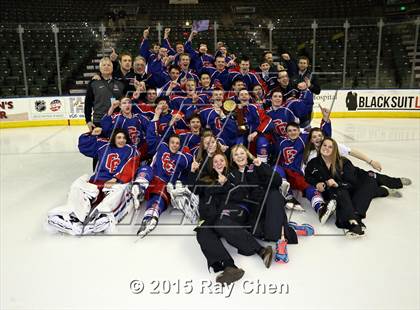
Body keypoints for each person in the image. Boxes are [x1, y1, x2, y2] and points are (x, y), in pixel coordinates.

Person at [189, 152, 274, 285]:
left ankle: (261, 250)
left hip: (233, 211)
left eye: (221, 160)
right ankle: (229, 267)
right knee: (202, 231)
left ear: (226, 162)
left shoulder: (233, 175)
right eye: (215, 161)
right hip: (211, 216)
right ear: (212, 165)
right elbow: (194, 189)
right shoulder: (205, 179)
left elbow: (241, 194)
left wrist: (226, 184)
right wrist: (193, 172)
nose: (218, 163)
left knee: (220, 221)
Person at [229, 144, 314, 264]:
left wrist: (262, 166)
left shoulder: (257, 166)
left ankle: (281, 244)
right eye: (236, 154)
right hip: (255, 208)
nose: (239, 156)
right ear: (232, 158)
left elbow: (277, 181)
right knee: (259, 230)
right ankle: (290, 230)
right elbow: (239, 195)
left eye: (242, 153)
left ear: (247, 154)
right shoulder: (231, 174)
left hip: (270, 199)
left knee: (274, 194)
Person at [46, 129, 139, 235]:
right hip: (97, 181)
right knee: (78, 186)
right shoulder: (103, 145)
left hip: (115, 183)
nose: (121, 140)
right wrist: (91, 134)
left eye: (124, 138)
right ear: (113, 138)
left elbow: (132, 166)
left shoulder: (131, 150)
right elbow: (84, 146)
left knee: (120, 190)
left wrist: (116, 179)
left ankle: (105, 215)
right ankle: (72, 214)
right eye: (119, 137)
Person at [305, 137, 389, 237]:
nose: (326, 148)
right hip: (334, 192)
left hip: (350, 188)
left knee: (367, 187)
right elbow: (308, 177)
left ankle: (355, 221)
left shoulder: (343, 162)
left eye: (330, 147)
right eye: (324, 145)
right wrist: (317, 184)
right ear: (320, 147)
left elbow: (352, 183)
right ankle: (354, 222)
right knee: (341, 193)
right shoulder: (313, 163)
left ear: (334, 149)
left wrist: (337, 184)